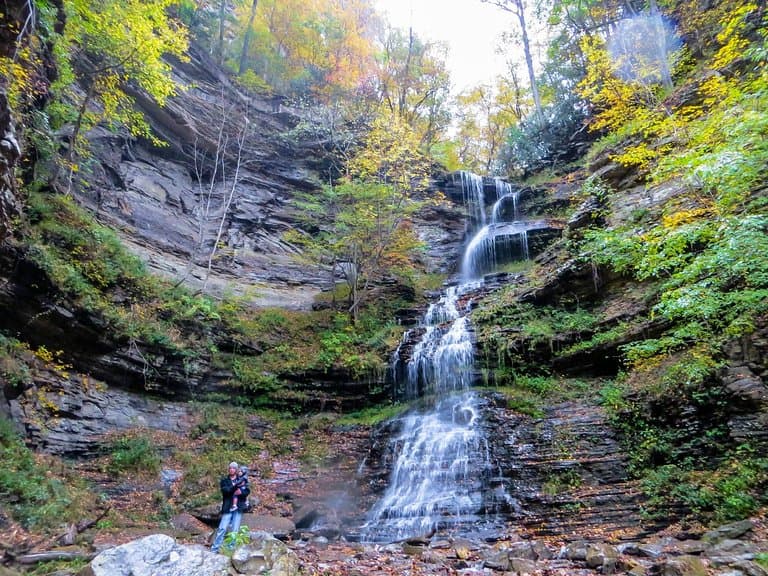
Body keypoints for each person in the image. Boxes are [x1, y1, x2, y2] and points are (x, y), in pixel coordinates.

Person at [210, 461, 250, 553]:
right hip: (228, 507)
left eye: (233, 468)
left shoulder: (241, 479)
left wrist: (242, 492)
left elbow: (247, 491)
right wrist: (235, 486)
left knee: (235, 530)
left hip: (238, 508)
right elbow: (226, 491)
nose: (231, 470)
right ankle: (215, 549)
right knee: (222, 528)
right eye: (230, 468)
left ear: (236, 470)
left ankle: (230, 549)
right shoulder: (225, 481)